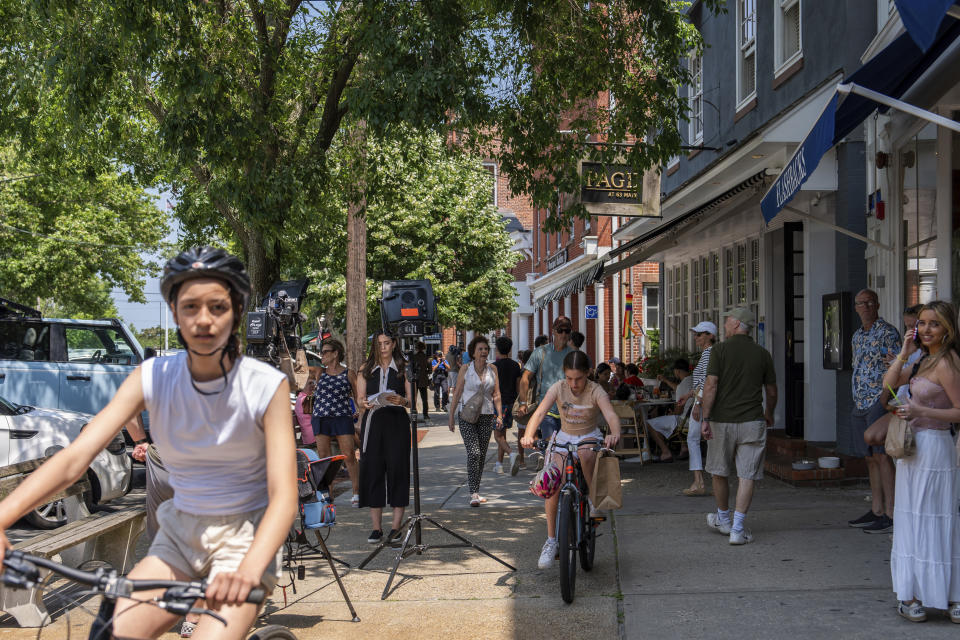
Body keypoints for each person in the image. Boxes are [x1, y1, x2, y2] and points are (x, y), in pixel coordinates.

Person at [0, 246, 296, 639]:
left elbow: (284, 497)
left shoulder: (265, 386)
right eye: (190, 306)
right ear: (175, 312)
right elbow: (75, 459)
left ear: (237, 311)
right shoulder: (151, 377)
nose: (203, 319)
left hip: (245, 540)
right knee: (113, 632)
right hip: (179, 535)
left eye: (217, 306)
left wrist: (250, 567)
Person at [882, 300, 960, 623]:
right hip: (912, 452)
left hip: (937, 447)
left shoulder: (948, 363)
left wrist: (920, 411)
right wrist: (904, 350)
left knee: (938, 520)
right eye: (922, 323)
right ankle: (909, 594)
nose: (926, 329)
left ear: (947, 329)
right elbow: (886, 388)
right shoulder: (920, 360)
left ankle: (950, 596)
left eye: (934, 324)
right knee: (912, 521)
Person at [521, 351, 621, 569]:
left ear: (588, 374)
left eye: (578, 378)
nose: (574, 384)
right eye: (569, 378)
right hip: (564, 437)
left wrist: (613, 432)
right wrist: (529, 434)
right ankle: (551, 541)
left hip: (588, 436)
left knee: (586, 454)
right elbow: (538, 414)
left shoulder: (596, 390)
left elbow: (611, 414)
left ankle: (594, 500)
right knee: (553, 483)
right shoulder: (558, 387)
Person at [700, 307, 776, 545]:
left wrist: (705, 417)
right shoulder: (762, 354)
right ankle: (738, 529)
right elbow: (772, 391)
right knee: (747, 475)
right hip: (753, 420)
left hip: (722, 421)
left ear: (735, 324)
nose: (723, 326)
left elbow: (711, 385)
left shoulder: (719, 350)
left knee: (719, 471)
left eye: (726, 322)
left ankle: (723, 518)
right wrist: (769, 413)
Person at [845, 289, 900, 534]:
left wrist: (884, 399)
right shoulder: (857, 336)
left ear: (877, 304)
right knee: (869, 458)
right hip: (860, 401)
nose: (865, 306)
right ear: (855, 308)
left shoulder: (887, 332)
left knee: (882, 456)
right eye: (860, 303)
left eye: (869, 302)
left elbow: (897, 367)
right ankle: (876, 508)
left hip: (879, 400)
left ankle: (891, 512)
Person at [357, 330, 412, 544]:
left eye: (387, 343)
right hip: (374, 423)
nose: (383, 347)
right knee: (373, 472)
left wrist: (401, 401)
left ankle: (395, 527)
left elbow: (410, 400)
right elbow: (360, 399)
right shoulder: (366, 369)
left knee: (398, 471)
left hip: (396, 422)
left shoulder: (403, 368)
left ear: (394, 344)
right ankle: (376, 528)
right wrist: (364, 403)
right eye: (379, 343)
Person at [448, 336, 503, 506]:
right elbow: (457, 393)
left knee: (481, 455)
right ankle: (473, 493)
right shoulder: (465, 369)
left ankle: (476, 491)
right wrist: (451, 416)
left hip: (486, 415)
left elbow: (496, 394)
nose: (484, 352)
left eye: (486, 349)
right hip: (467, 416)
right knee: (474, 453)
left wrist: (499, 414)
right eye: (480, 349)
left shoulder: (493, 369)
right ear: (473, 352)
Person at [864, 304, 923, 448]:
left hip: (921, 416)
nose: (911, 332)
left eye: (914, 327)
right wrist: (901, 357)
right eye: (907, 327)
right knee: (877, 438)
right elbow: (890, 383)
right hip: (903, 405)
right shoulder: (912, 350)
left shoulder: (937, 358)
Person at [312, 338, 360, 506]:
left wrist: (360, 417)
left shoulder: (349, 373)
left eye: (325, 352)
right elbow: (298, 371)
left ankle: (356, 492)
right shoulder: (319, 372)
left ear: (335, 353)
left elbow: (358, 396)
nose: (322, 355)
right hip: (321, 417)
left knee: (348, 455)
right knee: (324, 458)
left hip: (342, 417)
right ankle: (327, 494)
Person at [516, 316, 576, 449]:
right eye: (560, 330)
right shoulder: (541, 352)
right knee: (551, 447)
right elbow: (525, 378)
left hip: (569, 410)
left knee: (567, 450)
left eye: (567, 331)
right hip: (546, 410)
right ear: (553, 331)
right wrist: (523, 403)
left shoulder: (573, 354)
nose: (564, 334)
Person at [684, 321, 718, 496]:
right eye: (695, 334)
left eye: (699, 334)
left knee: (694, 439)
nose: (695, 337)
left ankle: (700, 481)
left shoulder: (710, 354)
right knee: (702, 439)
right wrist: (689, 395)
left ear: (710, 336)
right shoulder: (708, 354)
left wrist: (697, 403)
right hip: (702, 401)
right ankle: (704, 480)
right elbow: (701, 383)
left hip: (704, 403)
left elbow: (707, 382)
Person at [644, 359, 693, 463]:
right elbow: (678, 388)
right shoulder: (694, 380)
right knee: (670, 419)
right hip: (695, 419)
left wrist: (673, 413)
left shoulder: (682, 386)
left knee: (649, 423)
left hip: (684, 421)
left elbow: (678, 411)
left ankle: (666, 452)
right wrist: (665, 380)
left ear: (677, 371)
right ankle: (684, 447)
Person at [492, 336, 522, 476]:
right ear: (510, 349)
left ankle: (511, 453)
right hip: (511, 403)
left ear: (497, 349)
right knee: (502, 434)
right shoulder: (516, 365)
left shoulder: (494, 366)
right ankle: (499, 464)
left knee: (497, 436)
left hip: (498, 404)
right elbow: (518, 386)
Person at [410, 342, 431, 420]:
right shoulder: (427, 358)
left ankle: (414, 412)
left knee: (413, 398)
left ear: (416, 348)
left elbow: (411, 369)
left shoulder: (414, 357)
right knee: (424, 399)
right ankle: (425, 414)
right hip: (424, 380)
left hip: (415, 380)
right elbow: (430, 370)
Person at [295, 378, 318, 447]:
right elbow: (315, 417)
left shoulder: (300, 397)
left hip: (307, 437)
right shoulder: (306, 399)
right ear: (302, 386)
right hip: (314, 436)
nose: (313, 385)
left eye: (313, 383)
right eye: (310, 383)